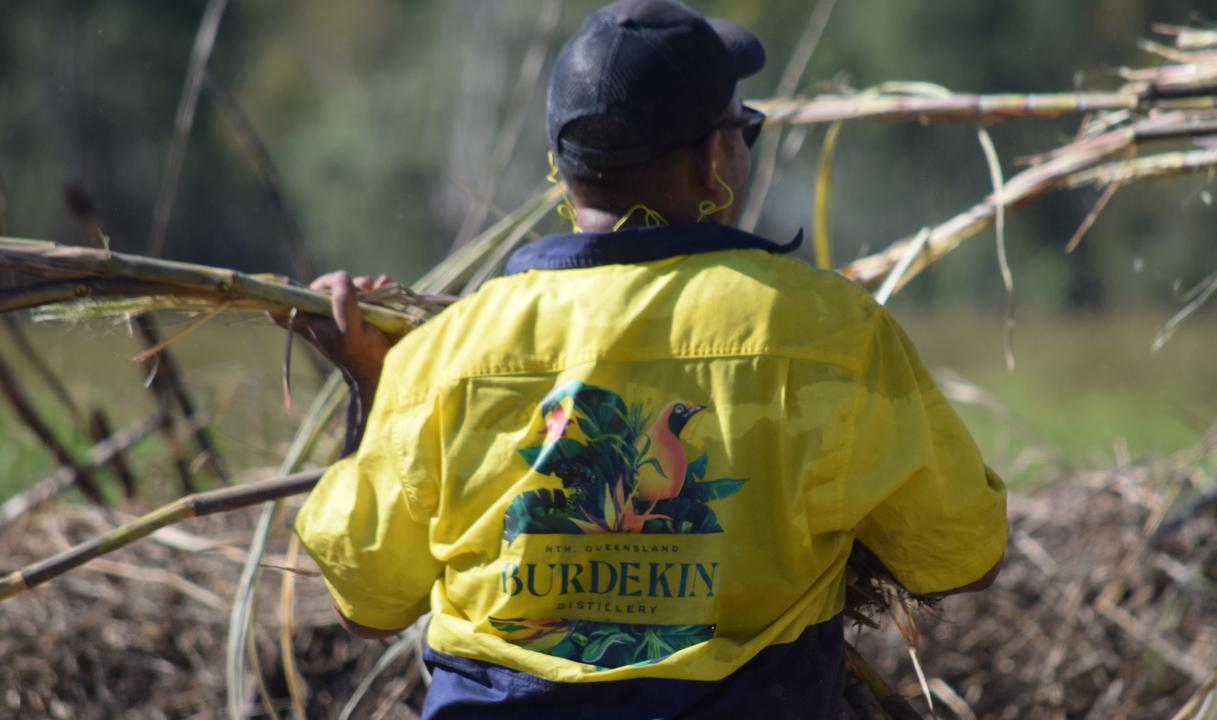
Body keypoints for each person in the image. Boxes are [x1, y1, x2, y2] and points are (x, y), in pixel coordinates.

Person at [292, 1, 1008, 718]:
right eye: (744, 128)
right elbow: (960, 558)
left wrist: (372, 383)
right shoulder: (829, 334)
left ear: (561, 169)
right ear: (711, 160)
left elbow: (367, 602)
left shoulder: (446, 355)